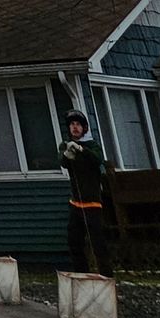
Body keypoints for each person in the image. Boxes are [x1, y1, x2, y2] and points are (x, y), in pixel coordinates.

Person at [56, 110, 112, 275]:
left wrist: (81, 150)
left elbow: (97, 159)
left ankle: (106, 276)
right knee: (74, 241)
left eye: (78, 124)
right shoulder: (65, 145)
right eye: (72, 124)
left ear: (84, 128)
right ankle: (81, 274)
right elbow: (63, 161)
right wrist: (67, 154)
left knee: (98, 242)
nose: (75, 127)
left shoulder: (92, 145)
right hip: (76, 203)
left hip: (92, 203)